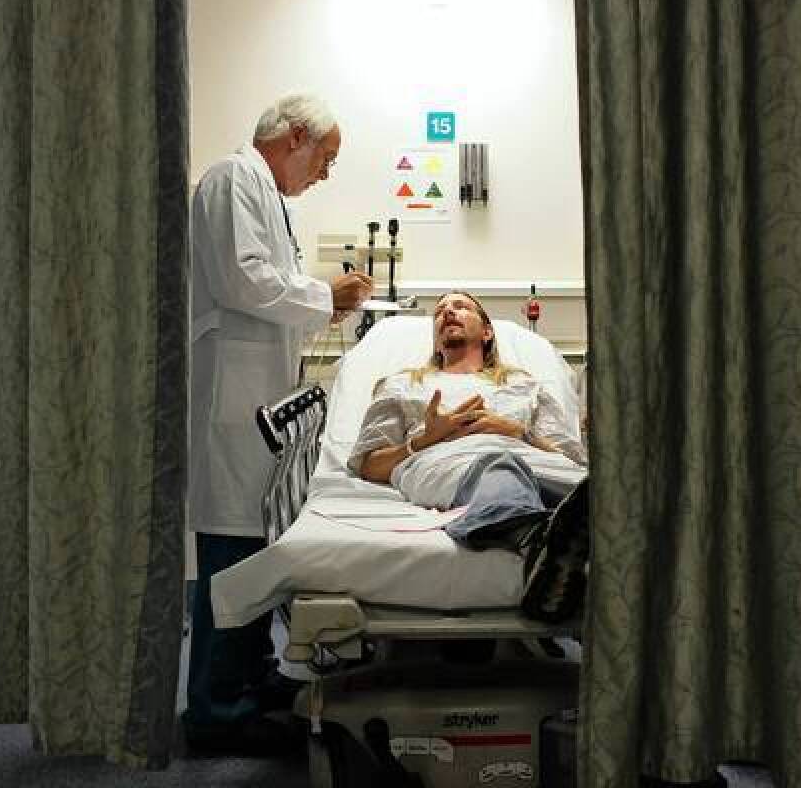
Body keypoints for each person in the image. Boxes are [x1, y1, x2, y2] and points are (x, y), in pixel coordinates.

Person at [186, 93, 373, 754]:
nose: (325, 173)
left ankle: (252, 676)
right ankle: (213, 710)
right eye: (325, 158)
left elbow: (268, 282)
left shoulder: (264, 195)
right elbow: (244, 281)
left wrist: (320, 298)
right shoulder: (233, 178)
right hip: (232, 408)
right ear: (294, 136)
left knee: (257, 544)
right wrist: (327, 295)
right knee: (232, 553)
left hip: (257, 403)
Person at [347, 291, 590, 623]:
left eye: (460, 307)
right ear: (435, 340)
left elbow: (569, 457)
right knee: (497, 465)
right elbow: (369, 464)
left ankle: (568, 529)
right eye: (440, 312)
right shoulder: (403, 384)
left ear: (487, 332)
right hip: (449, 462)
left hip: (532, 459)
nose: (448, 312)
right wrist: (426, 439)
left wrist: (519, 432)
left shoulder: (526, 386)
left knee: (589, 491)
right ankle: (535, 541)